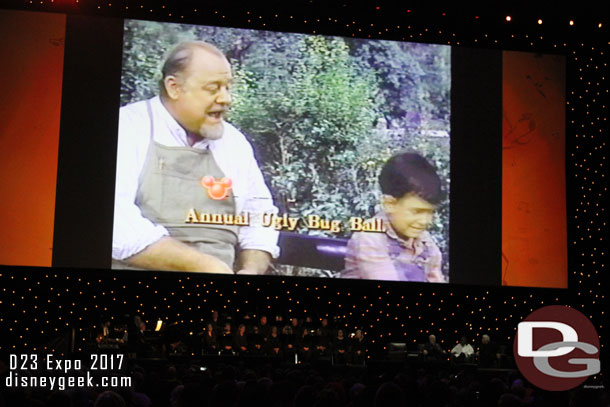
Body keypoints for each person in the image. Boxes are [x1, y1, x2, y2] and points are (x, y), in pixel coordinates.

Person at [112, 41, 279, 274]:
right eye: (213, 88)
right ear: (174, 88)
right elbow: (114, 222)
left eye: (228, 87)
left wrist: (251, 269)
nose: (226, 99)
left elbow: (259, 215)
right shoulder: (129, 127)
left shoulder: (235, 143)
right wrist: (205, 265)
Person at [341, 152, 446, 282]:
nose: (425, 221)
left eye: (431, 212)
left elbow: (435, 276)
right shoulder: (370, 238)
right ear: (389, 204)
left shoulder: (424, 241)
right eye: (417, 211)